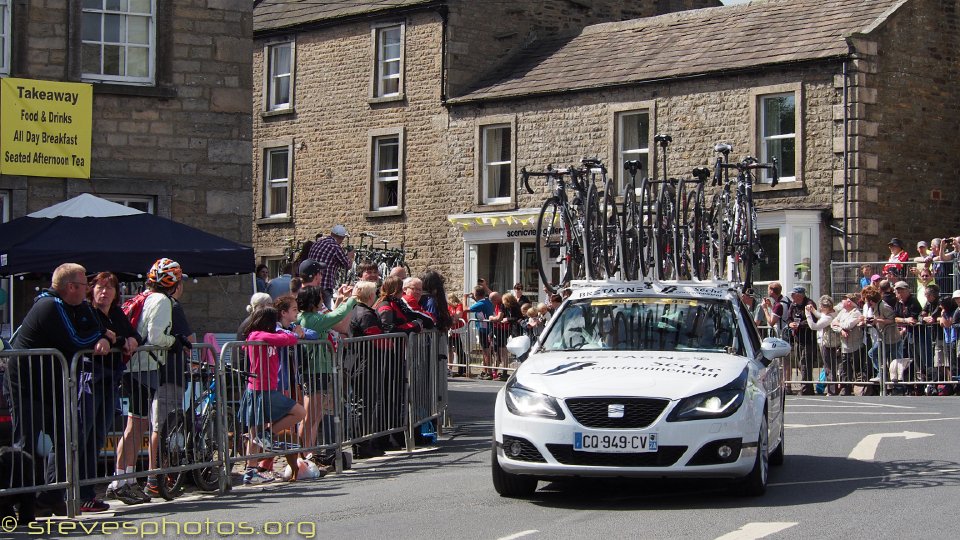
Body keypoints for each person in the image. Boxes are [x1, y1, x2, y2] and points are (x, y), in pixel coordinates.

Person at [7, 263, 112, 515]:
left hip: (53, 384)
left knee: (66, 441)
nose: (88, 289)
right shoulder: (49, 305)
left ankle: (51, 496)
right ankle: (19, 503)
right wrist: (103, 337)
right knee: (27, 445)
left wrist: (102, 333)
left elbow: (96, 325)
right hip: (28, 385)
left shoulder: (77, 306)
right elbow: (75, 340)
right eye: (85, 285)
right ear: (71, 287)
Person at [116, 258, 187, 501]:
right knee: (136, 425)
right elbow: (157, 337)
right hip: (145, 367)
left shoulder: (144, 296)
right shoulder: (163, 300)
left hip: (133, 366)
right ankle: (122, 481)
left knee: (134, 425)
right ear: (174, 282)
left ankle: (122, 478)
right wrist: (174, 342)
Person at [77, 272, 141, 513]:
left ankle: (88, 493)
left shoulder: (115, 313)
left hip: (109, 381)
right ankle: (77, 493)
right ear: (91, 290)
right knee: (83, 437)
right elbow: (91, 338)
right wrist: (116, 339)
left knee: (97, 438)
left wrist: (130, 339)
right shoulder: (86, 311)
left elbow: (132, 334)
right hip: (89, 381)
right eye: (100, 287)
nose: (104, 292)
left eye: (109, 288)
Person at [237, 307, 306, 484]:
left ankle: (251, 471)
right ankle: (266, 437)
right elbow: (287, 339)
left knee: (255, 434)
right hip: (261, 390)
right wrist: (296, 334)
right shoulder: (257, 335)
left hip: (264, 389)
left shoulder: (263, 336)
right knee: (299, 412)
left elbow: (284, 338)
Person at [296, 285, 356, 468]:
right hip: (315, 369)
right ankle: (302, 453)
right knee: (310, 415)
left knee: (315, 415)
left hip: (318, 369)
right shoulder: (312, 318)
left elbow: (333, 316)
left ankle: (308, 452)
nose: (322, 301)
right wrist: (353, 299)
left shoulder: (309, 317)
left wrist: (342, 300)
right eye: (320, 298)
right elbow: (335, 317)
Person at [308, 225, 355, 309]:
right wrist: (350, 256)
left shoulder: (316, 243)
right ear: (342, 238)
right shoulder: (335, 247)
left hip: (311, 284)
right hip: (325, 285)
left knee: (313, 310)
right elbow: (348, 265)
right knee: (328, 312)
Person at [891, 280, 923, 394]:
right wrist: (904, 320)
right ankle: (907, 386)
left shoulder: (913, 301)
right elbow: (894, 318)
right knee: (905, 359)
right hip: (904, 335)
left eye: (901, 291)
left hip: (916, 334)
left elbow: (913, 319)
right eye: (897, 291)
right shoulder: (898, 303)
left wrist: (905, 322)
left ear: (907, 291)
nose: (899, 293)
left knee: (917, 359)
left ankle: (919, 387)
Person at [805, 295, 839, 395]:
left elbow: (813, 326)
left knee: (829, 368)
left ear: (826, 307)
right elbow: (821, 316)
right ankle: (831, 389)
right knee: (828, 367)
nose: (820, 308)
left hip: (828, 344)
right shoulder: (832, 313)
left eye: (821, 307)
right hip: (827, 343)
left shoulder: (829, 317)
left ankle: (832, 391)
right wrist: (813, 310)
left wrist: (808, 314)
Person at [831, 294, 864, 396]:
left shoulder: (856, 313)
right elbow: (833, 323)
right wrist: (841, 330)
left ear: (850, 302)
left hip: (855, 345)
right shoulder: (843, 312)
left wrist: (840, 325)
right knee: (845, 369)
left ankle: (859, 389)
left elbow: (848, 325)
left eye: (844, 299)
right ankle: (846, 389)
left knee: (857, 368)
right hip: (845, 346)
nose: (842, 301)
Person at [786, 286, 816, 395]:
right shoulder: (793, 305)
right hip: (797, 338)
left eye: (793, 294)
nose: (792, 296)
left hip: (808, 339)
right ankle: (808, 386)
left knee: (805, 363)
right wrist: (790, 324)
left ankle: (806, 389)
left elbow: (813, 320)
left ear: (800, 295)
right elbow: (789, 318)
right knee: (800, 363)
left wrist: (799, 325)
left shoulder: (809, 304)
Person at [447, 292, 468, 376]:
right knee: (450, 350)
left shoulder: (459, 305)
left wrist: (452, 317)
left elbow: (458, 316)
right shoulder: (449, 307)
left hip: (459, 331)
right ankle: (450, 368)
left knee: (459, 350)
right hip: (451, 331)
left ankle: (462, 370)